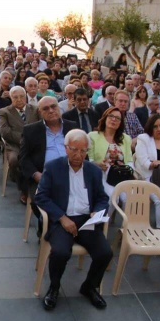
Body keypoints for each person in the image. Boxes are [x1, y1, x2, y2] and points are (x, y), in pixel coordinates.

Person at [34, 129, 113, 311]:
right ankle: (54, 287)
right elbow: (41, 197)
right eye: (74, 150)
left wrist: (97, 211)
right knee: (61, 252)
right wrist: (62, 218)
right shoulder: (54, 167)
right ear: (66, 148)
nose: (78, 155)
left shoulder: (93, 170)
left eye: (83, 151)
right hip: (63, 218)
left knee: (105, 253)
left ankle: (89, 287)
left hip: (86, 220)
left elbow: (102, 198)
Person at [0, 86, 38, 199]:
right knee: (14, 160)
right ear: (11, 98)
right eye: (15, 97)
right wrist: (24, 140)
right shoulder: (4, 112)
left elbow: (41, 127)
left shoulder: (35, 109)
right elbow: (5, 132)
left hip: (34, 145)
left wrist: (33, 141)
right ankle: (23, 189)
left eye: (21, 96)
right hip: (15, 145)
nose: (19, 99)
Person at [89, 106, 132, 176]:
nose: (114, 119)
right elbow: (89, 161)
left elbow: (130, 161)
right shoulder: (92, 136)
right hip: (100, 175)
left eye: (117, 118)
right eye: (111, 116)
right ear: (105, 118)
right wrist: (98, 165)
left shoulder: (126, 138)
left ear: (120, 123)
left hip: (121, 176)